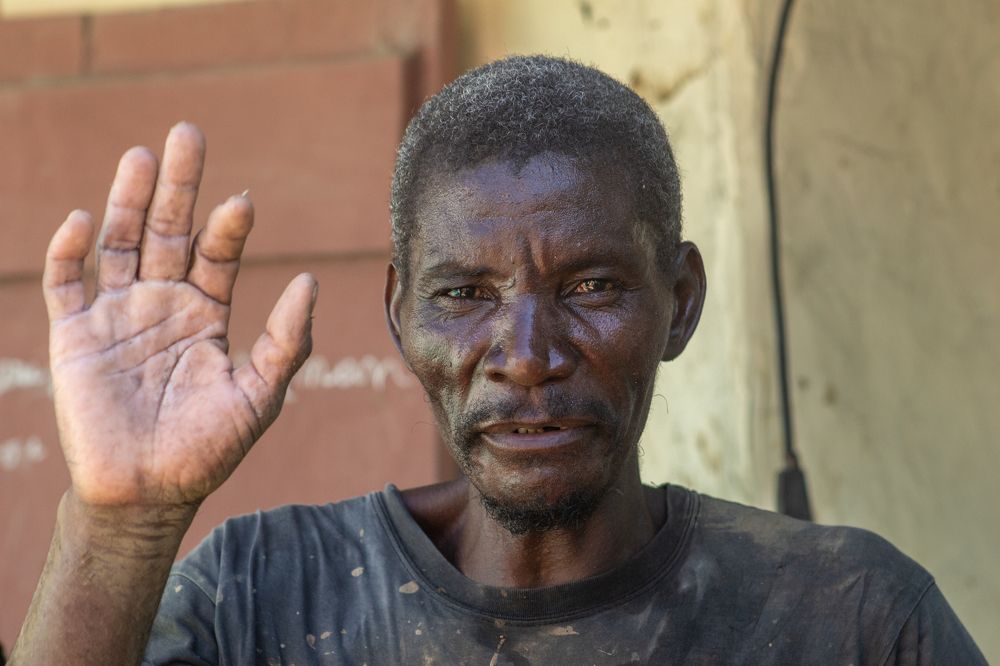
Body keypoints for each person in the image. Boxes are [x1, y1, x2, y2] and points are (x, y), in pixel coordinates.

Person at [10, 56, 985, 665]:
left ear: (678, 302)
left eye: (591, 288)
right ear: (400, 316)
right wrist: (120, 524)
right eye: (465, 296)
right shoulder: (259, 597)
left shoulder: (848, 620)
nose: (525, 357)